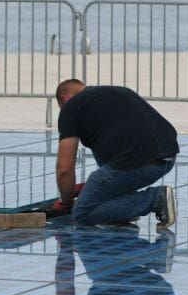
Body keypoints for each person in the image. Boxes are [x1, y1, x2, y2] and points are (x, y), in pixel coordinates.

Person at [51, 78, 178, 227]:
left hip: (137, 163)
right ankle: (125, 208)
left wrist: (65, 202)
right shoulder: (119, 91)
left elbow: (64, 169)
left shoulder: (71, 107)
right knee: (104, 172)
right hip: (168, 156)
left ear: (64, 99)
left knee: (82, 213)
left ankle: (154, 199)